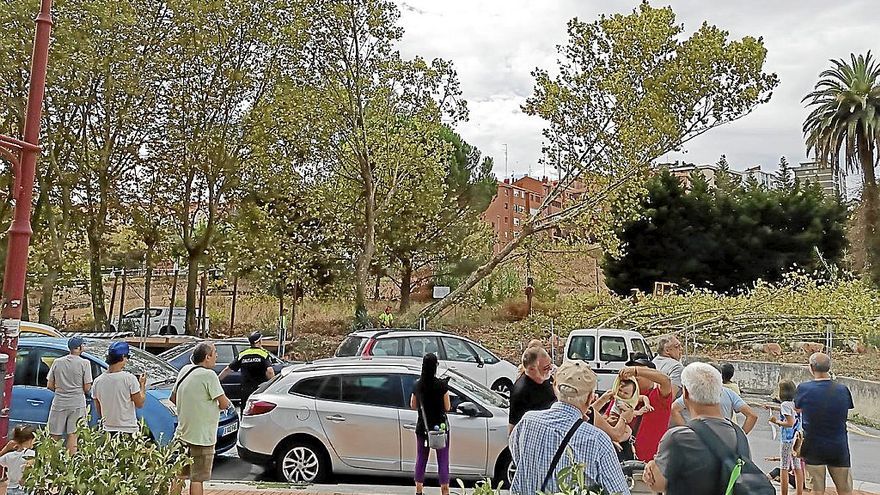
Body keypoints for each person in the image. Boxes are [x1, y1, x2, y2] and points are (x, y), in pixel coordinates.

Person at [509, 360, 630, 495]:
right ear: (590, 398)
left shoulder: (527, 422)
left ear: (555, 387)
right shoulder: (597, 440)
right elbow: (619, 492)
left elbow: (518, 459)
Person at [644, 362, 756, 495]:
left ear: (685, 393)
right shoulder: (739, 435)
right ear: (720, 392)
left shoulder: (677, 437)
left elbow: (658, 484)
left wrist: (651, 466)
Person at [171, 342, 231, 495]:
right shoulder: (209, 375)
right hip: (202, 438)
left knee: (178, 475)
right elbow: (224, 403)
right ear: (207, 357)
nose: (216, 356)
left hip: (182, 434)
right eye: (215, 352)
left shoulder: (184, 370)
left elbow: (173, 398)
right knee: (197, 479)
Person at [795, 353, 854, 495]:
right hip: (838, 445)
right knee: (845, 489)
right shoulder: (842, 389)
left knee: (816, 489)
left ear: (811, 367)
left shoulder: (804, 388)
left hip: (813, 445)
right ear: (829, 367)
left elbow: (797, 409)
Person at [619, 353, 673, 462]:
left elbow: (666, 381)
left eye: (640, 371)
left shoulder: (659, 397)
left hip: (650, 464)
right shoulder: (622, 396)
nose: (634, 376)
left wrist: (636, 370)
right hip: (622, 460)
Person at [410, 353, 451, 495]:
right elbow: (447, 407)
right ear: (435, 366)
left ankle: (419, 490)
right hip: (440, 428)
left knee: (421, 458)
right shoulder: (441, 385)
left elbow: (413, 405)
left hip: (423, 428)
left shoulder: (417, 385)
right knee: (443, 460)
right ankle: (444, 490)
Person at [46, 336, 93, 453]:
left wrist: (61, 390)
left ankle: (50, 460)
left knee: (54, 434)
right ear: (80, 347)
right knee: (73, 434)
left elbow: (49, 385)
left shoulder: (57, 362)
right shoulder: (85, 363)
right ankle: (70, 462)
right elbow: (87, 387)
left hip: (59, 401)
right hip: (77, 402)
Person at [92, 342, 147, 435]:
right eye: (127, 357)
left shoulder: (98, 381)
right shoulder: (129, 379)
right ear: (122, 357)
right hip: (128, 429)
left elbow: (99, 409)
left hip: (107, 430)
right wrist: (142, 385)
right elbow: (140, 403)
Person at [670, 384, 758, 433]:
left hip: (699, 435)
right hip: (726, 436)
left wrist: (686, 428)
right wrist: (741, 434)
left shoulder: (694, 393)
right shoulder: (728, 393)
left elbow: (674, 409)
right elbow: (752, 416)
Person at [218, 332, 275, 405]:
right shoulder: (263, 354)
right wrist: (273, 384)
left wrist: (217, 380)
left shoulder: (243, 354)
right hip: (260, 389)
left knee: (245, 410)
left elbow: (227, 369)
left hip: (245, 390)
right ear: (259, 342)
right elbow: (270, 371)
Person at [508, 346, 555, 433]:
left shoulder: (547, 378)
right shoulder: (521, 392)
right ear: (531, 369)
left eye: (550, 364)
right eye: (546, 367)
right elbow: (513, 429)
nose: (550, 369)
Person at [770, 380, 804, 495]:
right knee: (797, 465)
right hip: (797, 438)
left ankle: (784, 493)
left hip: (787, 439)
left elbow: (790, 422)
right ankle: (799, 492)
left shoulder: (784, 405)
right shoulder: (796, 404)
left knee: (783, 467)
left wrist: (777, 422)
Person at [0, 426, 36, 495]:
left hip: (10, 489)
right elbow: (29, 465)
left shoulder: (9, 456)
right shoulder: (32, 454)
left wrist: (6, 449)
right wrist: (24, 478)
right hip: (25, 489)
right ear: (30, 440)